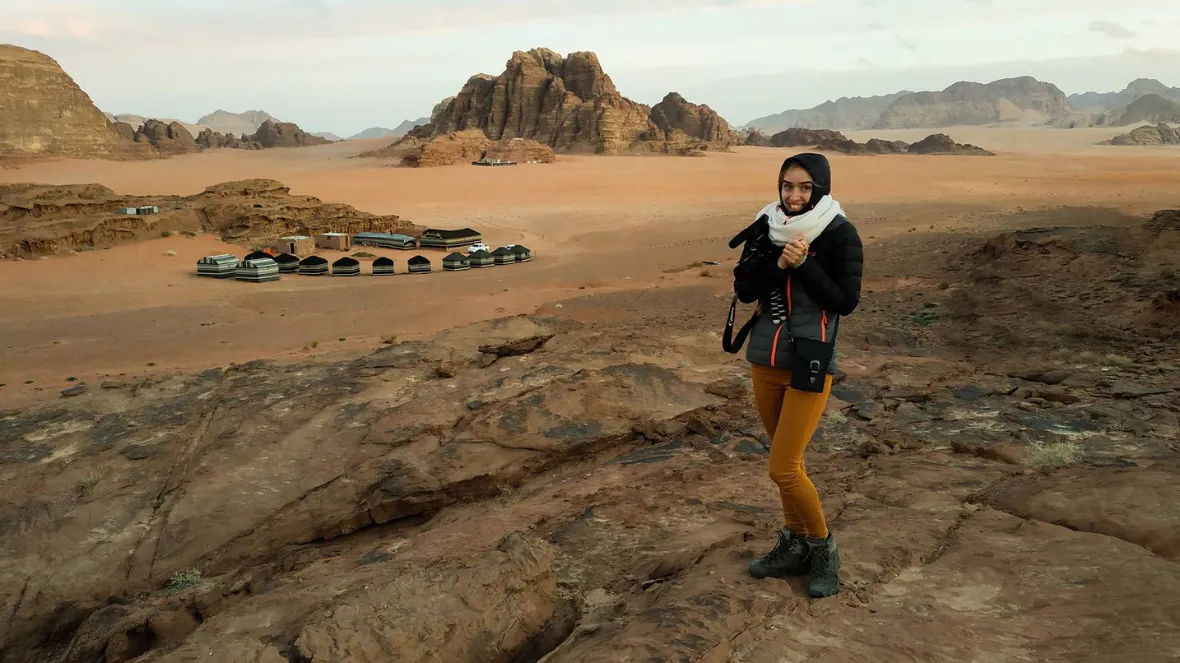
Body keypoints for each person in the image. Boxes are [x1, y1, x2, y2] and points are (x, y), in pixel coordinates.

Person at [733, 152, 863, 598]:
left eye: (804, 187)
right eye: (787, 186)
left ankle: (823, 548)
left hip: (810, 362)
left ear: (820, 188)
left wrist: (805, 264)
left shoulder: (840, 233)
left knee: (783, 468)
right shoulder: (765, 227)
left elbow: (845, 301)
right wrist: (781, 265)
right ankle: (793, 544)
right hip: (764, 361)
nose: (793, 195)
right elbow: (744, 288)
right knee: (789, 462)